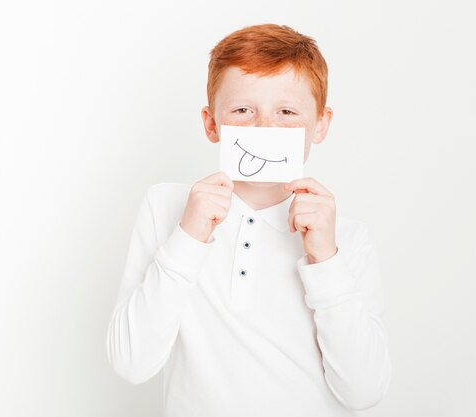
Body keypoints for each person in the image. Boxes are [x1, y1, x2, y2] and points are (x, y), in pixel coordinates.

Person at [106, 23, 391, 416]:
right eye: (243, 110)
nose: (264, 128)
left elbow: (363, 391)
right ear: (212, 123)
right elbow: (131, 362)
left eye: (287, 112)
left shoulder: (347, 239)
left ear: (320, 124)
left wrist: (325, 258)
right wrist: (188, 237)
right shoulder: (168, 207)